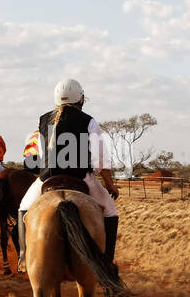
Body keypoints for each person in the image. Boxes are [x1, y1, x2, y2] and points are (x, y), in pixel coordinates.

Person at [15, 79, 119, 272]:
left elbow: (37, 154)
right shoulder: (88, 121)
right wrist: (110, 184)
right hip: (81, 178)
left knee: (24, 207)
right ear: (80, 99)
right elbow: (101, 160)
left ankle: (23, 258)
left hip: (48, 178)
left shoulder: (43, 119)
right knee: (111, 211)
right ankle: (106, 262)